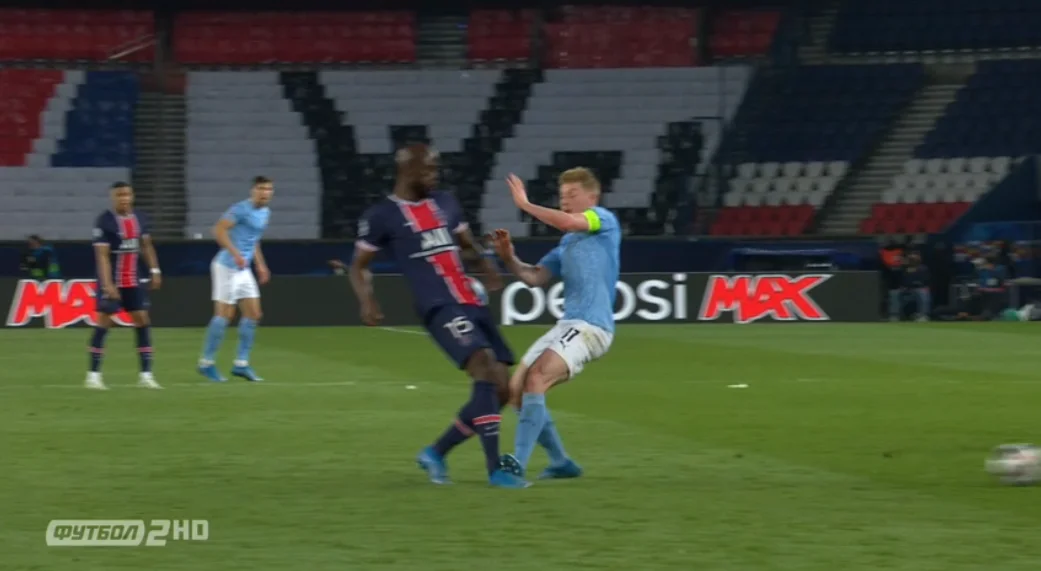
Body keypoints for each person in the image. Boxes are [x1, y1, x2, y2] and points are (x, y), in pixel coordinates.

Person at [348, 143, 528, 489]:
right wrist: (366, 300)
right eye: (427, 170)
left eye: (436, 169)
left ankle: (436, 452)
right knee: (483, 366)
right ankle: (496, 470)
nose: (435, 175)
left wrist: (485, 266)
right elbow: (359, 266)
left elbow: (465, 245)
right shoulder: (381, 215)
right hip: (437, 305)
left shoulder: (446, 202)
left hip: (470, 299)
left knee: (503, 389)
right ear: (407, 171)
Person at [492, 168, 621, 479]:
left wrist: (525, 205)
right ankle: (561, 462)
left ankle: (517, 465)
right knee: (516, 391)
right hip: (568, 325)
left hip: (592, 326)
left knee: (537, 377)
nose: (565, 201)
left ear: (593, 197)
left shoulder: (603, 220)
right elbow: (534, 277)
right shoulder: (565, 245)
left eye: (572, 195)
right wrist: (509, 257)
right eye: (562, 196)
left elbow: (567, 221)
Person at [86, 182, 162, 390]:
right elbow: (102, 256)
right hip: (113, 280)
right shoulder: (105, 221)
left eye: (127, 194)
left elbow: (146, 246)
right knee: (104, 323)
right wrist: (107, 284)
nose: (124, 198)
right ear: (113, 198)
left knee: (143, 320)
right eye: (119, 195)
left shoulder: (141, 218)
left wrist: (155, 270)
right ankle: (93, 375)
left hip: (133, 280)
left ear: (132, 195)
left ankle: (146, 375)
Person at [197, 176, 273, 382]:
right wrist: (235, 253)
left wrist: (261, 264)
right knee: (224, 316)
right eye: (261, 188)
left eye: (268, 189)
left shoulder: (265, 212)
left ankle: (241, 364)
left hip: (243, 269)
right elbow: (218, 230)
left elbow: (253, 240)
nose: (265, 193)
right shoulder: (240, 209)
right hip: (226, 267)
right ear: (253, 190)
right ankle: (206, 363)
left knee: (254, 314)